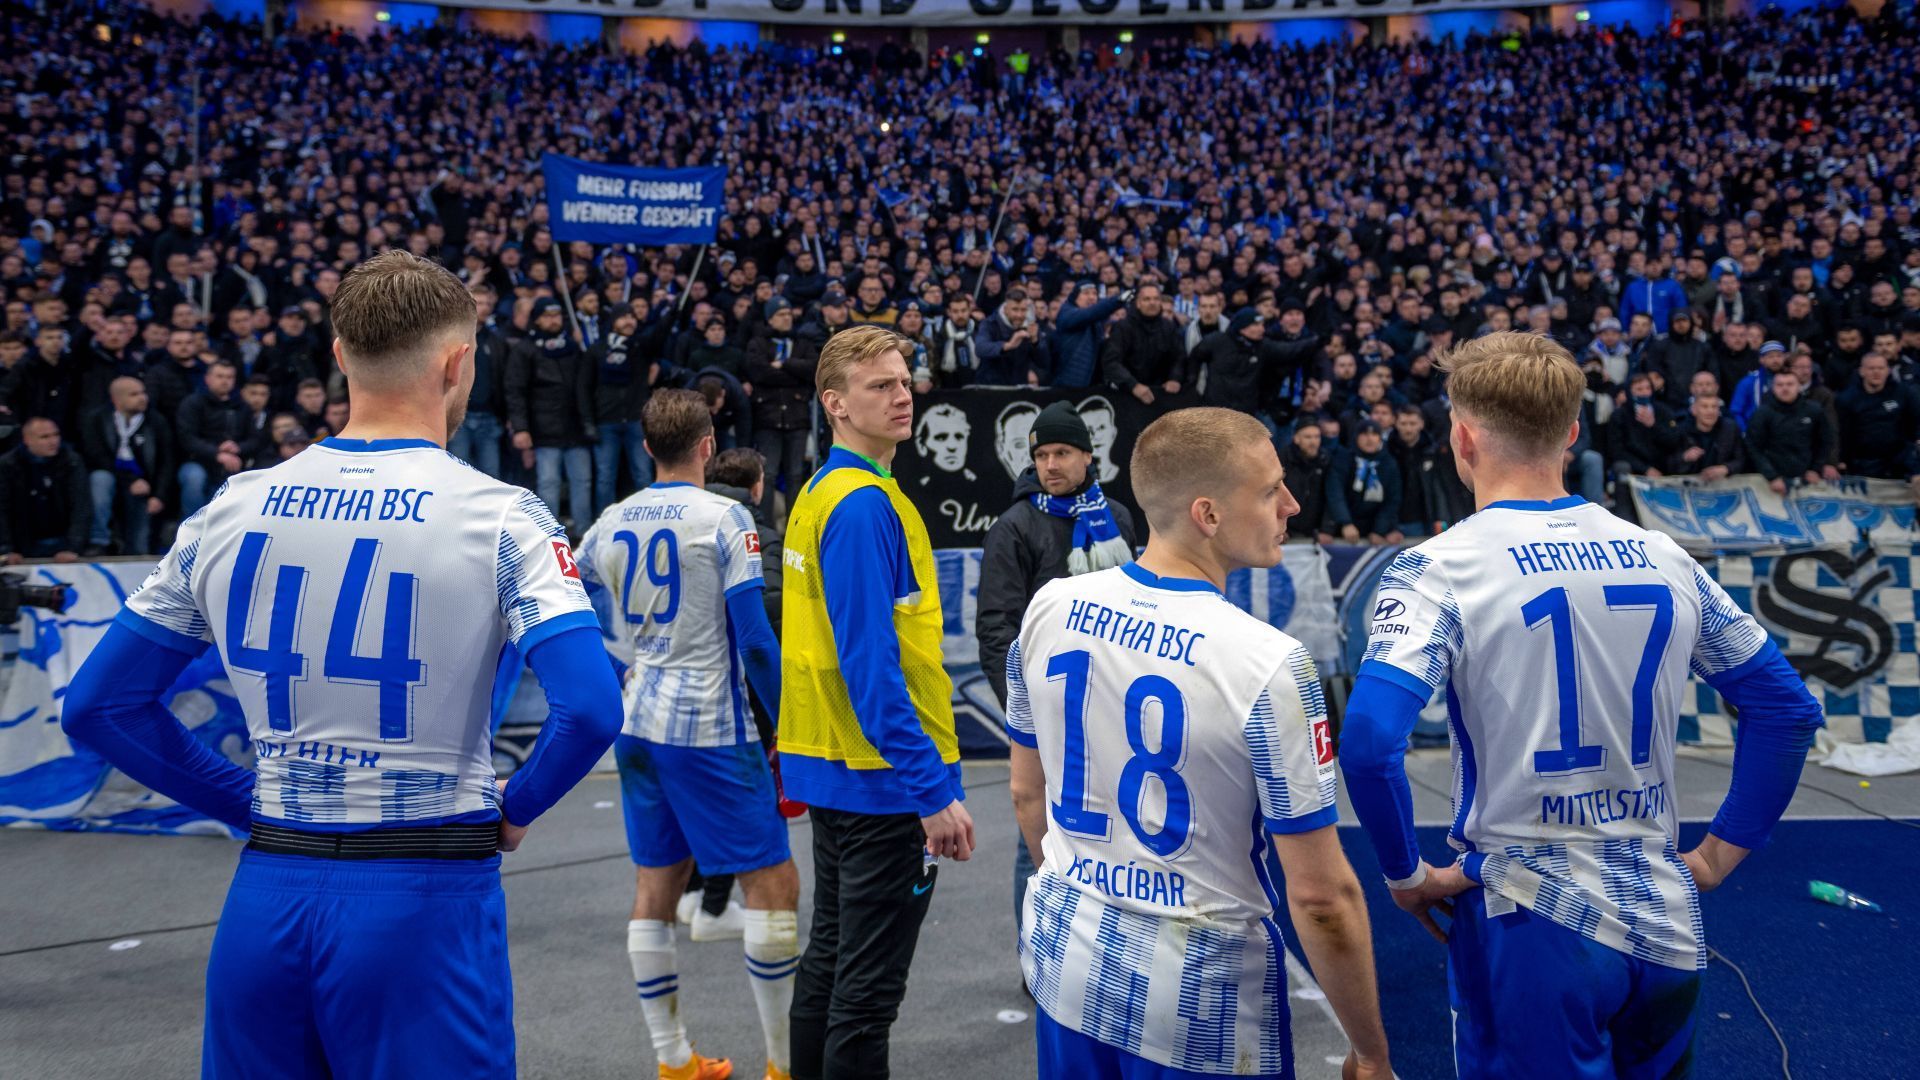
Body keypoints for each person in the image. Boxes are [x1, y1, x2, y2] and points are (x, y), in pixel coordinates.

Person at [59, 250, 624, 1078]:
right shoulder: (503, 517)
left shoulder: (232, 505)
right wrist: (521, 803)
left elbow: (99, 707)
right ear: (459, 361)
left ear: (338, 355)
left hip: (266, 896)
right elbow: (591, 707)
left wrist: (242, 799)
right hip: (422, 898)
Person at [1338, 331, 1824, 1079]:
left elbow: (1370, 741)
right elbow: (1787, 710)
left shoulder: (1440, 567)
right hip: (1663, 913)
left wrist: (1408, 877)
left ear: (1461, 438)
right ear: (1571, 433)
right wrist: (1719, 855)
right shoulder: (1663, 555)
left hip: (1532, 917)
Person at [1005, 406, 1391, 1079]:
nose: (1292, 504)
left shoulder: (1050, 607)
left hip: (1070, 960)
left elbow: (1025, 792)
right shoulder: (1267, 661)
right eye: (1271, 490)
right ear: (1208, 514)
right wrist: (1373, 1053)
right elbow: (1323, 900)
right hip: (1199, 998)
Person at [576, 389, 796, 1080]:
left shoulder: (611, 520)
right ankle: (784, 1065)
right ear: (707, 445)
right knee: (773, 882)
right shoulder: (727, 517)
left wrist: (619, 666)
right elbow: (756, 641)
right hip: (707, 721)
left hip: (638, 719)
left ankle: (674, 1060)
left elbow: (563, 601)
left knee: (656, 883)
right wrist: (789, 722)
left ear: (646, 448)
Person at [777, 325, 972, 1080]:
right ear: (835, 404)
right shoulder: (860, 506)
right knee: (864, 998)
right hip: (880, 780)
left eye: (904, 381)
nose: (902, 396)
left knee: (828, 968)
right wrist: (931, 788)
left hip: (835, 764)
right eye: (880, 386)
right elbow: (871, 664)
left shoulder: (826, 492)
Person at [972, 400, 1138, 952]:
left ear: (1088, 455)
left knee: (1115, 833)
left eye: (1061, 452)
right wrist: (1023, 714)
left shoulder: (1118, 516)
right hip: (1048, 713)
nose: (1050, 464)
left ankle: (1103, 950)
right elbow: (996, 628)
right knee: (1037, 841)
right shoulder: (1014, 527)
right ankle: (1039, 954)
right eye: (1040, 454)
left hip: (1114, 707)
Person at [508, 297, 595, 527]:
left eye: (556, 315)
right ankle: (550, 536)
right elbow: (515, 391)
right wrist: (521, 428)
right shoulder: (525, 349)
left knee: (583, 481)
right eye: (547, 316)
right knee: (548, 483)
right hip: (543, 430)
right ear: (537, 319)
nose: (553, 320)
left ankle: (583, 534)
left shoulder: (572, 346)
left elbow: (584, 385)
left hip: (575, 428)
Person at [78, 375, 172, 555]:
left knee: (140, 542)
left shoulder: (156, 422)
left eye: (143, 392)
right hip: (116, 478)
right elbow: (97, 457)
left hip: (146, 486)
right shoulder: (96, 420)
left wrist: (159, 495)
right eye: (134, 394)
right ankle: (99, 541)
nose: (142, 397)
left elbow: (166, 462)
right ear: (116, 400)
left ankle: (139, 554)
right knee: (100, 479)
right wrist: (130, 480)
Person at [0, 416, 89, 562]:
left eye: (56, 435)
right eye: (45, 437)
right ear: (27, 440)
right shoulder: (7, 466)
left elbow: (81, 506)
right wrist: (6, 550)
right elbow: (2, 510)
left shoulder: (71, 462)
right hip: (22, 546)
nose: (53, 441)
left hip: (62, 544)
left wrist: (73, 548)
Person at [1745, 367, 1839, 494]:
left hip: (1807, 478)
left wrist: (1816, 469)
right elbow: (1753, 447)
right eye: (1780, 385)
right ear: (1773, 388)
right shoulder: (1762, 413)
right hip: (1771, 481)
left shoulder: (1814, 410)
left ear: (1799, 386)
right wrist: (1771, 476)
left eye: (1790, 384)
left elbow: (1826, 441)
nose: (1785, 388)